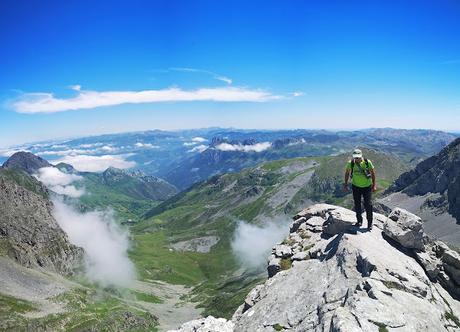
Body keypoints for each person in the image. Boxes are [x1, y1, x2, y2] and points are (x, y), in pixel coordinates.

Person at [342, 149, 377, 231]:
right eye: (355, 157)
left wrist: (374, 184)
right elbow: (347, 173)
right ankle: (359, 221)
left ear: (361, 156)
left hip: (367, 187)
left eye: (358, 157)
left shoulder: (367, 162)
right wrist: (346, 184)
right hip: (356, 186)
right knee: (357, 204)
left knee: (368, 204)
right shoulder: (351, 163)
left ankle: (369, 223)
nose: (357, 159)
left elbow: (373, 173)